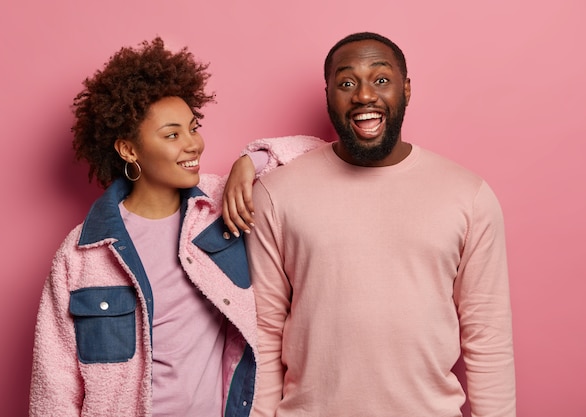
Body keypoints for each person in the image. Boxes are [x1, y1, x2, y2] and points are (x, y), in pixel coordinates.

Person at [28, 37, 322, 417]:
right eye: (172, 135)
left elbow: (318, 151)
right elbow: (53, 388)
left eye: (192, 128)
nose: (193, 144)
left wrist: (248, 162)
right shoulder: (84, 253)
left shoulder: (219, 205)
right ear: (128, 149)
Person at [246, 32, 516, 417]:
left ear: (406, 90)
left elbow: (487, 335)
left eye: (381, 79)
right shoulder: (276, 194)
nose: (364, 95)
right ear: (328, 95)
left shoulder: (468, 195)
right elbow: (264, 332)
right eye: (346, 82)